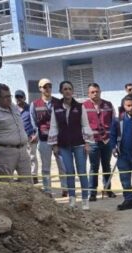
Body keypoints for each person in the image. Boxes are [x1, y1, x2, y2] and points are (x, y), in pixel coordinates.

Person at [48, 81, 93, 210]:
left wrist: (87, 143)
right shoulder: (56, 107)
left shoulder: (80, 107)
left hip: (79, 144)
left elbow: (85, 125)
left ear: (72, 91)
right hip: (63, 145)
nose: (67, 91)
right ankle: (72, 199)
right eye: (65, 89)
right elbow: (53, 126)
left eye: (69, 89)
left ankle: (85, 200)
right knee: (69, 172)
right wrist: (54, 145)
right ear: (61, 91)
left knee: (82, 172)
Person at [0, 84, 32, 183]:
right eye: (5, 97)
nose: (9, 99)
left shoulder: (13, 107)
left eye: (10, 96)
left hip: (22, 150)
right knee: (6, 185)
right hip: (4, 153)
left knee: (28, 183)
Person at [31, 78, 68, 197]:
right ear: (40, 89)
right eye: (45, 87)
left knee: (62, 165)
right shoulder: (34, 104)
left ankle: (65, 188)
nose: (47, 89)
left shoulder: (59, 102)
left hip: (59, 139)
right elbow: (33, 122)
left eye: (49, 86)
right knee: (46, 167)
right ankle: (47, 190)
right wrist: (37, 134)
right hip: (44, 140)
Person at [83, 83, 116, 201]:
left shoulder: (108, 105)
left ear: (100, 92)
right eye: (92, 92)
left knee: (107, 165)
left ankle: (107, 189)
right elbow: (81, 125)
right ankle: (92, 192)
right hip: (92, 141)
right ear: (88, 94)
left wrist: (114, 140)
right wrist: (85, 142)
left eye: (97, 91)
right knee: (94, 167)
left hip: (107, 141)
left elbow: (114, 122)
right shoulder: (84, 106)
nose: (95, 94)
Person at [15, 90, 38, 182]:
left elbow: (36, 121)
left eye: (20, 97)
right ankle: (23, 176)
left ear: (24, 98)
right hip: (18, 138)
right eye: (17, 97)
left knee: (32, 157)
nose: (18, 99)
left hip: (30, 136)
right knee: (20, 158)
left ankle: (34, 176)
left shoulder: (30, 108)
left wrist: (35, 134)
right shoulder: (13, 109)